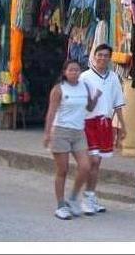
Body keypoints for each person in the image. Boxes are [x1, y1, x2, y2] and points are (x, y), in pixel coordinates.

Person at [43, 59, 101, 220]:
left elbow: (89, 107)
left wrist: (96, 97)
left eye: (77, 70)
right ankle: (61, 205)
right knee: (63, 170)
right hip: (61, 131)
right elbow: (51, 112)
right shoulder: (58, 89)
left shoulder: (85, 87)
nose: (74, 73)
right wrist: (47, 134)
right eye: (71, 70)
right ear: (64, 72)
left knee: (86, 166)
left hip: (78, 132)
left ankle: (73, 198)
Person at [79, 44, 126, 213]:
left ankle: (90, 196)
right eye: (100, 55)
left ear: (110, 58)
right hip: (88, 123)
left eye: (106, 55)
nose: (102, 58)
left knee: (97, 164)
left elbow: (118, 103)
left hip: (105, 124)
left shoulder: (113, 77)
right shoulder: (84, 77)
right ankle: (86, 198)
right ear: (94, 56)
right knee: (93, 161)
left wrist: (122, 126)